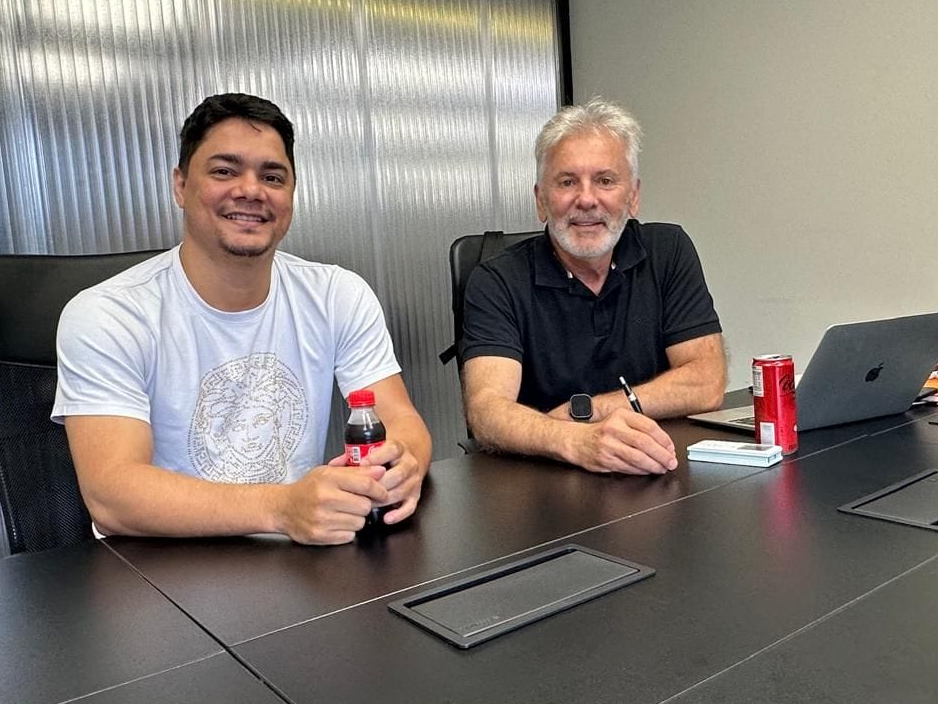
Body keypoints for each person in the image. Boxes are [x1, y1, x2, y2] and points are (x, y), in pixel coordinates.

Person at [52, 93, 431, 545]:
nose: (251, 190)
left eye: (272, 177)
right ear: (180, 185)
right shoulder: (108, 315)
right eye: (224, 171)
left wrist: (404, 465)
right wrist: (282, 508)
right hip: (158, 565)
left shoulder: (336, 294)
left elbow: (399, 417)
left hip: (298, 555)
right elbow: (112, 494)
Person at [459, 98, 726, 475]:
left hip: (655, 465)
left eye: (605, 180)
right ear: (541, 200)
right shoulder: (496, 280)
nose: (586, 199)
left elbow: (707, 381)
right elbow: (487, 412)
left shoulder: (668, 251)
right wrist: (577, 441)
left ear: (633, 196)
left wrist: (586, 412)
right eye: (567, 182)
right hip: (541, 482)